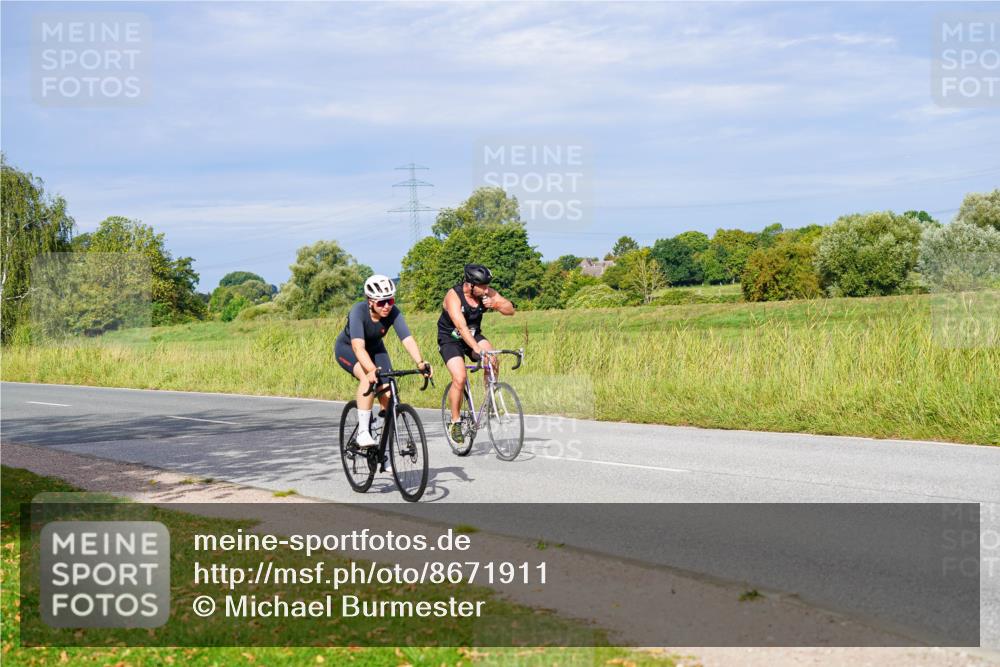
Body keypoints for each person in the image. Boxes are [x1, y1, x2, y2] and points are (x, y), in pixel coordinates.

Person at [334, 274, 432, 447]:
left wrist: (420, 362)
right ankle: (363, 432)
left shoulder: (393, 312)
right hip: (348, 349)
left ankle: (384, 447)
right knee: (367, 377)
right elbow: (358, 347)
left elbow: (407, 339)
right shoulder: (358, 311)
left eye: (390, 301)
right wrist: (371, 370)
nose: (387, 306)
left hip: (376, 349)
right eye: (381, 302)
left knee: (389, 395)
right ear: (370, 301)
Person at [438, 264, 515, 444]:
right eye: (483, 286)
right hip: (451, 338)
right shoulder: (453, 296)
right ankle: (455, 421)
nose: (486, 289)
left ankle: (490, 401)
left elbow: (510, 310)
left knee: (493, 359)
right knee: (460, 377)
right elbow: (461, 327)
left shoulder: (485, 293)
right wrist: (477, 349)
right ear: (470, 284)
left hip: (473, 334)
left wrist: (496, 304)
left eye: (488, 286)